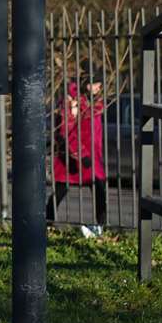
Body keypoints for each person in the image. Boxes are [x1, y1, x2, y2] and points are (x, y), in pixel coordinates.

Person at [48, 69, 107, 237]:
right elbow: (65, 131)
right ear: (86, 84)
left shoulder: (94, 102)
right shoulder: (71, 102)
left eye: (99, 83)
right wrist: (80, 154)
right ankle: (47, 222)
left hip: (92, 157)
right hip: (73, 156)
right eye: (95, 83)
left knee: (99, 189)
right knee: (61, 190)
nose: (98, 86)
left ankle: (101, 227)